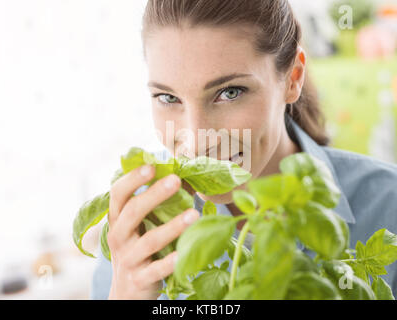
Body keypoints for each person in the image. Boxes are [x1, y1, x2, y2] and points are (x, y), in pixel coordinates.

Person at [91, 0, 397, 299]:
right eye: (168, 98)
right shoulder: (138, 217)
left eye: (229, 92)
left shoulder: (388, 203)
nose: (196, 142)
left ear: (293, 79)